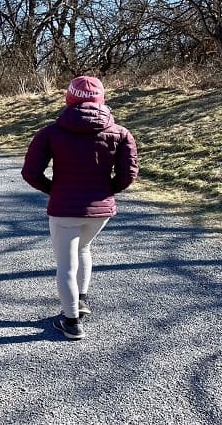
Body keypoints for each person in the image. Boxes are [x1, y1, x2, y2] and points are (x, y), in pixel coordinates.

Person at [21, 76, 139, 340]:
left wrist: (55, 190)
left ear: (69, 98)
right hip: (100, 212)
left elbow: (30, 172)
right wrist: (104, 192)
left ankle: (72, 321)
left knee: (65, 265)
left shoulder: (50, 132)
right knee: (84, 249)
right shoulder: (121, 133)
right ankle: (81, 300)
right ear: (101, 99)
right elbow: (128, 175)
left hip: (63, 210)